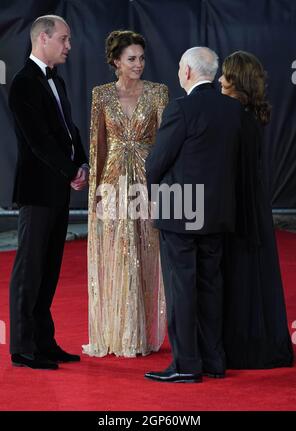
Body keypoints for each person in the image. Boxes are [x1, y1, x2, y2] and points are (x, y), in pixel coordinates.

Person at [144, 47, 243, 383]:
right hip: (217, 213)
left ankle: (186, 364)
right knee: (210, 287)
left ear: (186, 72)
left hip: (181, 211)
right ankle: (214, 361)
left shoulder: (181, 108)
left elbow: (156, 163)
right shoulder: (233, 110)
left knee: (182, 288)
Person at [9, 15, 88, 370]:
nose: (69, 46)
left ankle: (44, 341)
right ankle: (23, 347)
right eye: (64, 39)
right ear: (43, 39)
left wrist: (81, 163)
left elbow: (68, 130)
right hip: (38, 191)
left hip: (58, 188)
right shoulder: (24, 83)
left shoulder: (58, 81)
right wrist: (71, 170)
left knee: (51, 268)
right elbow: (38, 141)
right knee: (30, 269)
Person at [83, 30, 168, 358]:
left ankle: (142, 334)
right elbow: (98, 146)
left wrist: (165, 188)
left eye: (142, 58)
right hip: (113, 181)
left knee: (146, 253)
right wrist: (95, 196)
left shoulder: (159, 93)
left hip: (148, 182)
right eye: (131, 59)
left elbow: (166, 143)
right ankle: (120, 334)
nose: (139, 64)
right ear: (116, 61)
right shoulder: (101, 95)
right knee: (120, 255)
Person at [219, 51, 294, 369]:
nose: (220, 80)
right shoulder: (251, 114)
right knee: (255, 273)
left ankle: (242, 346)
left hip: (238, 208)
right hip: (254, 207)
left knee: (239, 273)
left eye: (225, 75)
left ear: (237, 80)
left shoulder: (232, 115)